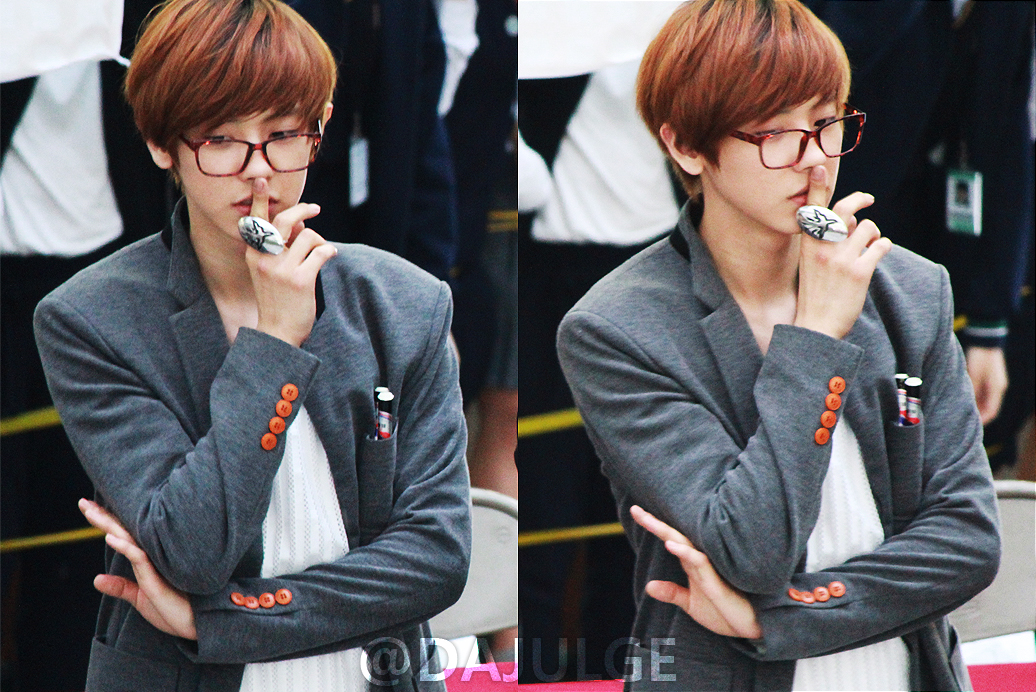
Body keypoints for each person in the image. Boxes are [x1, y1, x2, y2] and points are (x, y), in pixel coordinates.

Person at [556, 1, 1000, 690]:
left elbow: (968, 542)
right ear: (686, 146)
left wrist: (780, 618)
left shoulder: (909, 289)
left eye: (826, 124)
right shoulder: (618, 328)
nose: (815, 159)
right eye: (775, 133)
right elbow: (749, 551)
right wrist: (814, 337)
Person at [32, 1, 470, 690]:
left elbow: (436, 558)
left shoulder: (402, 301)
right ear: (161, 144)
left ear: (320, 129)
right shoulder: (92, 318)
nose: (258, 170)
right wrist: (273, 341)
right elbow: (192, 551)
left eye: (283, 134)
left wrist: (223, 619)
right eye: (220, 140)